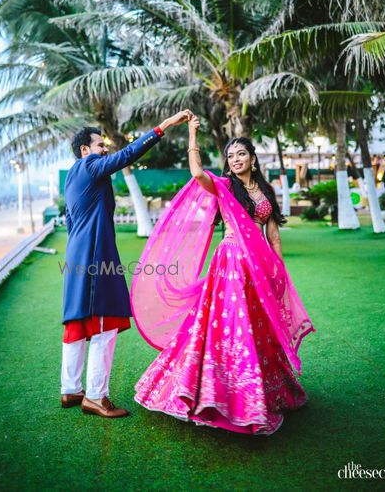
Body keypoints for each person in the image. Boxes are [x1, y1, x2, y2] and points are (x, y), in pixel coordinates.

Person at [131, 115, 316, 435]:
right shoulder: (226, 186)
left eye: (241, 154)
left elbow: (273, 236)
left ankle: (259, 389)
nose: (236, 159)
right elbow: (197, 174)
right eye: (231, 157)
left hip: (257, 266)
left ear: (253, 158)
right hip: (231, 261)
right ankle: (218, 392)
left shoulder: (266, 192)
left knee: (257, 324)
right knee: (229, 323)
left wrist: (279, 270)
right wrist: (192, 135)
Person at [60, 110, 192, 418]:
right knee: (103, 325)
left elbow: (69, 220)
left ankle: (70, 389)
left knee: (77, 323)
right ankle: (95, 396)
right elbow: (128, 155)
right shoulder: (91, 166)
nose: (104, 149)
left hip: (77, 254)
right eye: (99, 145)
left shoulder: (72, 177)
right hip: (95, 255)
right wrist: (162, 127)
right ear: (84, 151)